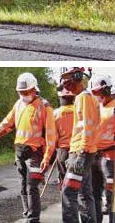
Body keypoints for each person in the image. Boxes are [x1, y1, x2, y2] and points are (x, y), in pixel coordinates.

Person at [0, 72, 56, 222]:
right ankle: (27, 214)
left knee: (31, 186)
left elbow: (51, 136)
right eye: (20, 92)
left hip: (36, 154)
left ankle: (33, 219)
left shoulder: (44, 106)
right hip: (20, 153)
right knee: (23, 187)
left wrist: (47, 158)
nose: (23, 95)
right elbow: (6, 125)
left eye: (26, 92)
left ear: (34, 89)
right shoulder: (18, 105)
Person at [60, 67, 100, 223]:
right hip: (83, 151)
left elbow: (88, 127)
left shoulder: (83, 98)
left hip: (81, 152)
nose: (66, 87)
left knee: (68, 191)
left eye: (68, 82)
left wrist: (82, 153)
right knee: (84, 193)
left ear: (77, 78)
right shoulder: (83, 97)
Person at [90, 74, 115, 223]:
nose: (97, 96)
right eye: (95, 93)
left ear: (106, 90)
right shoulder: (96, 106)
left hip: (111, 157)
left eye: (99, 93)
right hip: (94, 156)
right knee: (94, 194)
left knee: (111, 195)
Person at [55, 84, 77, 187]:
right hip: (77, 150)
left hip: (62, 151)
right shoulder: (79, 111)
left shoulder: (56, 114)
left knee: (64, 180)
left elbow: (53, 135)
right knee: (76, 180)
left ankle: (65, 201)